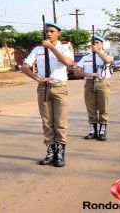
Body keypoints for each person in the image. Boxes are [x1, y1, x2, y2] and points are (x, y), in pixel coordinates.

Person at [21, 22, 74, 167]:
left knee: (60, 122)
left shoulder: (64, 46)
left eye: (52, 31)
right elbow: (25, 66)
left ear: (59, 33)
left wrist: (51, 47)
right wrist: (36, 78)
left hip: (59, 87)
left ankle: (60, 153)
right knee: (47, 121)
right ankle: (50, 151)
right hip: (43, 87)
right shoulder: (38, 49)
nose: (48, 34)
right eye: (47, 31)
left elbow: (68, 61)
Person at [75, 35, 113, 141]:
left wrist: (98, 52)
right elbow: (77, 71)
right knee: (91, 108)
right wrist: (89, 74)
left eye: (97, 42)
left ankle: (102, 130)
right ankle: (92, 130)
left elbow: (107, 60)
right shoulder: (86, 57)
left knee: (103, 107)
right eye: (93, 43)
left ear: (101, 44)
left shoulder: (107, 54)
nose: (95, 44)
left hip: (102, 83)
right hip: (89, 83)